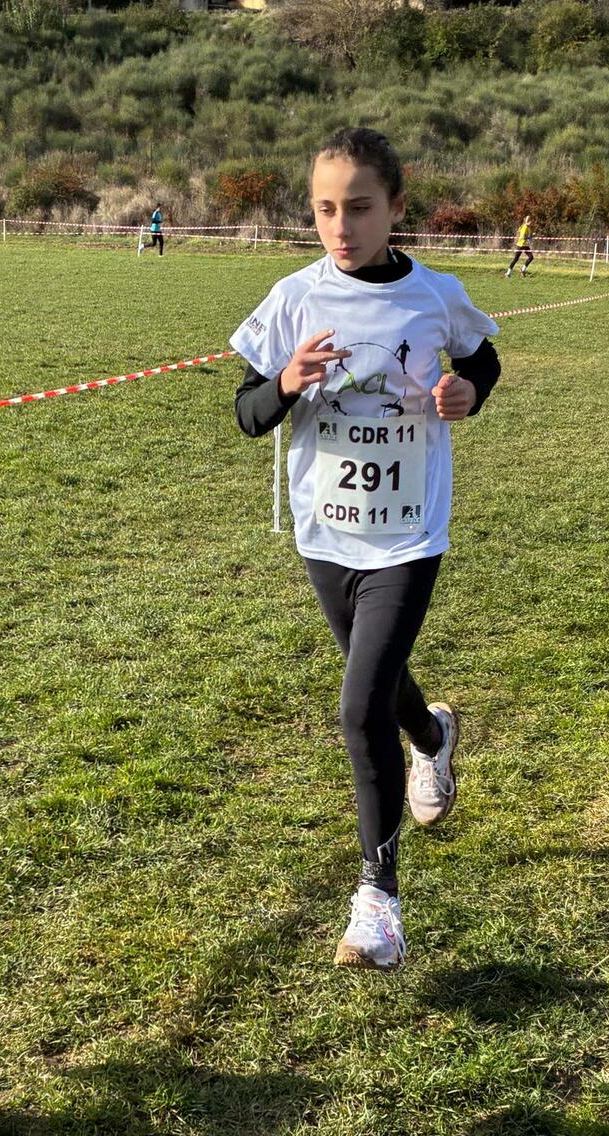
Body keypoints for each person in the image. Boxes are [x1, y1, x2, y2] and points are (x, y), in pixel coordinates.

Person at [229, 128, 501, 970]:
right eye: (324, 209)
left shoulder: (434, 294)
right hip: (326, 531)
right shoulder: (294, 298)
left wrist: (467, 391)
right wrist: (286, 382)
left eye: (358, 207)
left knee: (357, 707)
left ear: (395, 207)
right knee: (377, 683)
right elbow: (246, 413)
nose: (340, 227)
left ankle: (378, 903)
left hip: (410, 532)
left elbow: (483, 360)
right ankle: (433, 736)